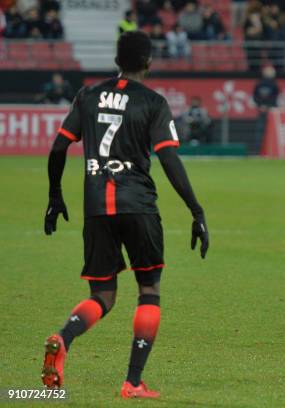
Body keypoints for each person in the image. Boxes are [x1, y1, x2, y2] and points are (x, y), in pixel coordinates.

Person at [41, 31, 209, 399]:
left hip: (96, 207)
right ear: (148, 62)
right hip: (139, 205)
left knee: (102, 294)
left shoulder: (87, 95)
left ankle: (63, 338)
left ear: (117, 60)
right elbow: (168, 158)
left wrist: (55, 196)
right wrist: (196, 210)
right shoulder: (153, 101)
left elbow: (57, 148)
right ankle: (132, 382)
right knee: (148, 289)